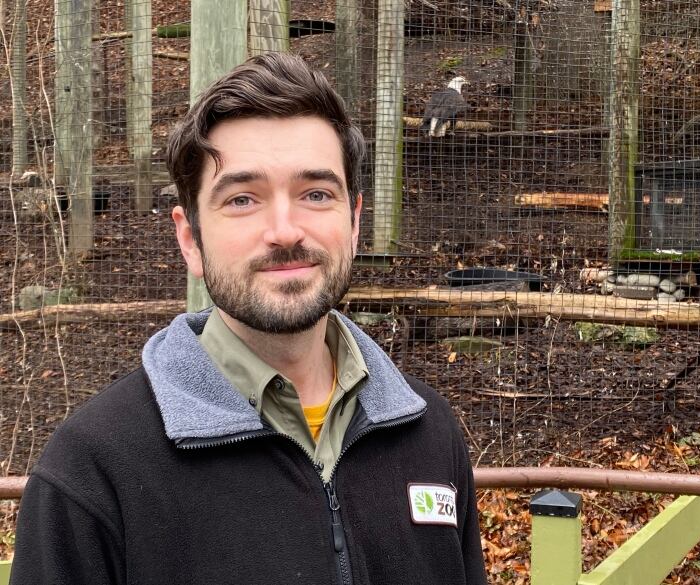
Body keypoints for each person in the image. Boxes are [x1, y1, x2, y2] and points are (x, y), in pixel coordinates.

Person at [11, 53, 487, 585]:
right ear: (189, 238)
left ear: (354, 223)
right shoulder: (92, 470)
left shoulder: (430, 435)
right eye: (242, 199)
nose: (285, 230)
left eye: (315, 194)